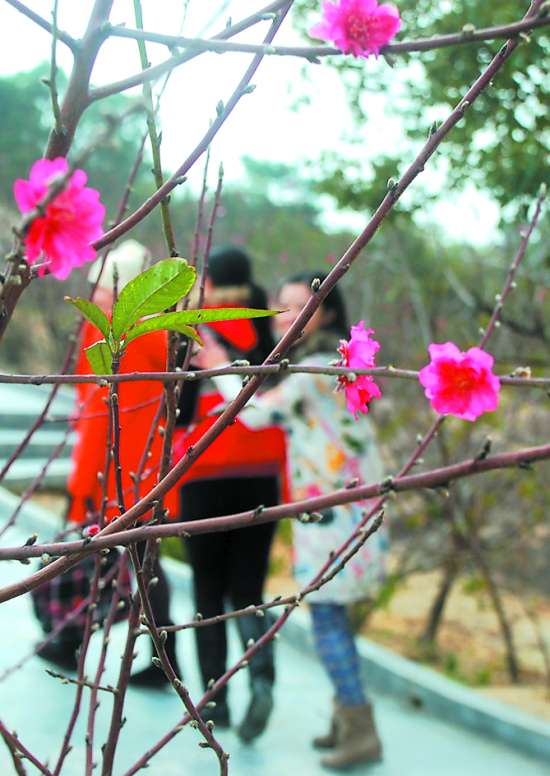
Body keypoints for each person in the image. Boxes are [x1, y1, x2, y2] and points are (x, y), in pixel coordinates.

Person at [198, 271, 389, 768]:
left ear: (324, 312)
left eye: (298, 306)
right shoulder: (329, 361)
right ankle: (344, 719)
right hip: (342, 508)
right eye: (280, 306)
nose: (286, 316)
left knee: (327, 618)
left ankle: (359, 725)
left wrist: (219, 365)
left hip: (335, 513)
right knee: (333, 616)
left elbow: (257, 414)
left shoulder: (317, 367)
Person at [37, 240, 180, 684]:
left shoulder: (123, 332)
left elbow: (95, 401)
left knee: (126, 559)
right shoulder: (157, 330)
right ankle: (149, 654)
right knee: (138, 560)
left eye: (102, 285)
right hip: (134, 465)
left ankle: (77, 640)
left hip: (121, 466)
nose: (94, 293)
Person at [173, 246, 288, 741]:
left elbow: (179, 411)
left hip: (205, 471)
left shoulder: (196, 331)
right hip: (262, 471)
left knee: (206, 593)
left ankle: (213, 700)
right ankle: (262, 679)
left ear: (212, 284)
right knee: (249, 590)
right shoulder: (270, 329)